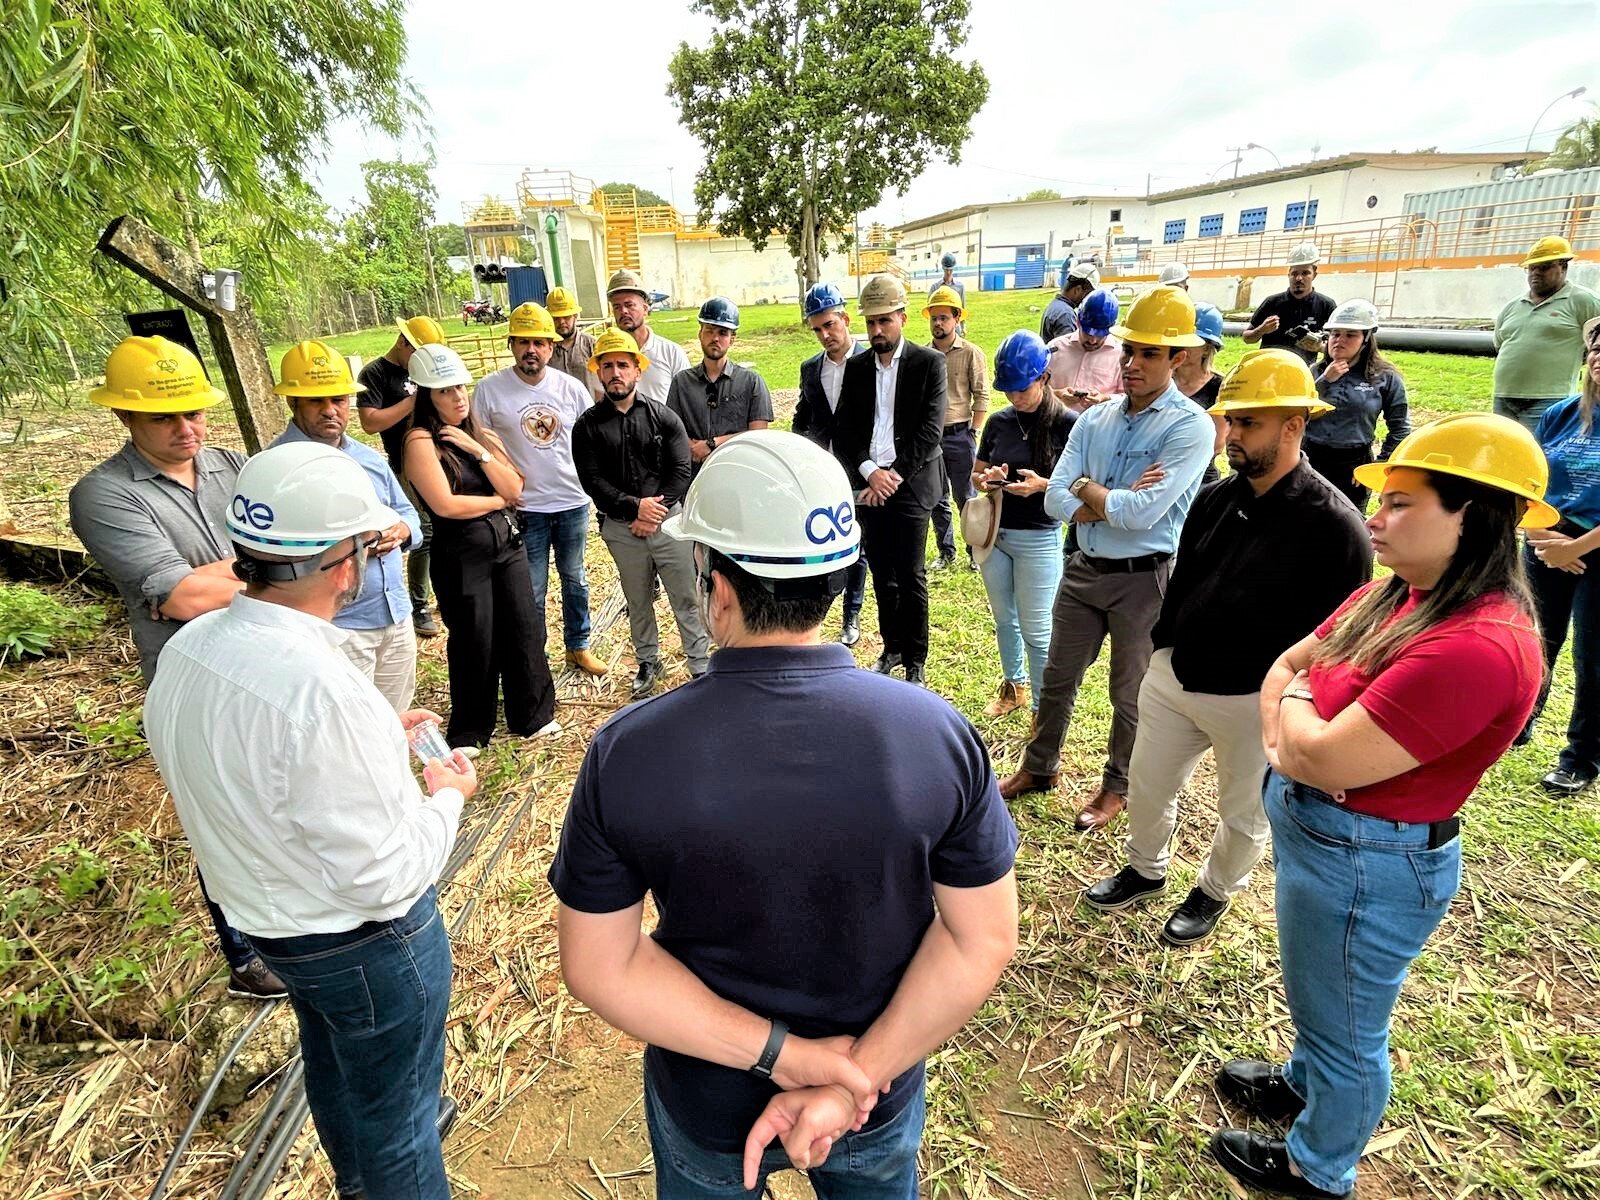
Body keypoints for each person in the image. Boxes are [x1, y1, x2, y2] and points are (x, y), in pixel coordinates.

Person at [548, 430, 1018, 1198]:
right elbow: (983, 937)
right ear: (840, 571)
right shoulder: (935, 733)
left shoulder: (628, 752)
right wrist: (850, 1078)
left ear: (716, 583)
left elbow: (601, 964)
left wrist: (787, 1059)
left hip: (710, 1101)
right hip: (875, 1095)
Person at [1214, 413, 1549, 1198]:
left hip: (1368, 862)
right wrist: (1297, 717)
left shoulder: (1479, 644)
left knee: (1348, 1031)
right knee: (1323, 997)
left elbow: (1315, 750)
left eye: (1402, 502)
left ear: (1475, 512)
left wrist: (1295, 723)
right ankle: (1304, 1082)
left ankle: (1317, 1166)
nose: (1376, 517)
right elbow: (1288, 669)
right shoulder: (1399, 594)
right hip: (1333, 837)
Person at [145, 441, 479, 1200]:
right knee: (402, 1121)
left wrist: (371, 736)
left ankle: (357, 1182)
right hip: (366, 944)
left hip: (270, 926)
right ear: (346, 564)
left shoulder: (192, 648)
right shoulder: (325, 689)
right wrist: (448, 793)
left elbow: (245, 762)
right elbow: (386, 874)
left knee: (331, 1059)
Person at [1083, 350, 1370, 946]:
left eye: (1248, 423)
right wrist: (1162, 655)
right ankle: (1144, 868)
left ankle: (1214, 893)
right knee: (1147, 781)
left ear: (1294, 424)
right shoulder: (1215, 498)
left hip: (1253, 697)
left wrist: (1289, 703)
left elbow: (1340, 636)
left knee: (1244, 813)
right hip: (1176, 675)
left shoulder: (1335, 526)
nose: (1231, 434)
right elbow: (1184, 581)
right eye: (1230, 421)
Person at [68, 336, 285, 1001]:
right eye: (166, 417)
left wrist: (231, 572)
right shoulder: (105, 495)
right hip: (191, 678)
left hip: (265, 655)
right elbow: (185, 596)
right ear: (126, 418)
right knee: (219, 812)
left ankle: (295, 927)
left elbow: (270, 552)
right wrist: (266, 564)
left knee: (277, 795)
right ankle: (246, 953)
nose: (187, 428)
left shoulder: (230, 465)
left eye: (194, 411)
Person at [999, 286, 1214, 831]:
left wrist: (1087, 489)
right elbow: (1053, 498)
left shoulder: (1190, 427)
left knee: (1130, 693)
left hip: (1145, 578)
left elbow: (1141, 514)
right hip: (1085, 568)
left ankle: (1117, 785)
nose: (1134, 363)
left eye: (1150, 353)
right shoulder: (1096, 419)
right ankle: (1040, 766)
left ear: (1179, 358)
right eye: (1131, 350)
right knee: (1057, 675)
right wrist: (1105, 498)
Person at [403, 344, 557, 750]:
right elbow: (446, 505)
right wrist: (495, 502)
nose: (457, 398)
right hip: (462, 555)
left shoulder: (479, 434)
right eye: (444, 392)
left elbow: (516, 487)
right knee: (475, 636)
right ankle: (471, 726)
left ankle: (532, 714)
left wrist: (478, 450)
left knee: (524, 627)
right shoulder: (421, 442)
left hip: (507, 545)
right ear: (426, 396)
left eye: (460, 389)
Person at [270, 340, 423, 710]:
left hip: (394, 614)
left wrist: (401, 532)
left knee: (394, 720)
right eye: (316, 401)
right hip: (337, 625)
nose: (330, 411)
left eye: (338, 400)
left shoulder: (368, 459)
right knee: (347, 725)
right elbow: (274, 553)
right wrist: (353, 545)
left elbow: (411, 518)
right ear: (293, 402)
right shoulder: (277, 469)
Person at [572, 327, 711, 697]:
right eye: (608, 366)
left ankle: (699, 662)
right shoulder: (587, 426)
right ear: (598, 371)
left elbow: (680, 470)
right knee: (637, 599)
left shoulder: (664, 418)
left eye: (623, 365)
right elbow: (592, 480)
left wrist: (654, 511)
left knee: (686, 595)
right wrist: (634, 509)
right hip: (622, 527)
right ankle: (648, 660)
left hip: (668, 525)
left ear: (637, 369)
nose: (616, 372)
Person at [470, 303, 605, 677]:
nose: (532, 349)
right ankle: (535, 655)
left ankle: (578, 646)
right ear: (511, 343)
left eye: (540, 343)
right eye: (524, 341)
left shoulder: (571, 388)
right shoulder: (489, 390)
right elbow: (478, 444)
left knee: (575, 578)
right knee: (531, 589)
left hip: (571, 501)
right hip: (522, 507)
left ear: (551, 346)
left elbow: (589, 441)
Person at [833, 274, 948, 686]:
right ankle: (892, 646)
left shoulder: (929, 363)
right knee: (881, 571)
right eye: (870, 323)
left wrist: (892, 477)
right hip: (870, 484)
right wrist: (870, 473)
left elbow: (929, 432)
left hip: (912, 485)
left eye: (884, 320)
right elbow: (844, 430)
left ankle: (916, 657)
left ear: (902, 317)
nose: (877, 330)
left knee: (911, 572)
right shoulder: (858, 367)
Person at [972, 332, 1076, 718]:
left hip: (1039, 535)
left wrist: (1043, 486)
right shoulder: (999, 422)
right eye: (1009, 390)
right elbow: (977, 473)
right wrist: (987, 480)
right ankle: (1013, 686)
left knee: (1037, 631)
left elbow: (1079, 485)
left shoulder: (1067, 423)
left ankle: (1040, 709)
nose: (1015, 397)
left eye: (1022, 388)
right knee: (1004, 620)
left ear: (1044, 378)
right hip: (996, 534)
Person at [1522, 315, 1600, 794]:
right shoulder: (1562, 414)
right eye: (1596, 347)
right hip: (1547, 538)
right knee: (1535, 640)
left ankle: (1581, 756)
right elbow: (1527, 481)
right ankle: (1520, 720)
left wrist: (1576, 547)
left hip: (1591, 544)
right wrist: (1538, 536)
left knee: (1593, 659)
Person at [358, 315, 446, 638]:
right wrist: (412, 402)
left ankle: (445, 590)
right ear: (402, 342)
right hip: (403, 465)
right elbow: (370, 422)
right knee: (423, 531)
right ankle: (419, 603)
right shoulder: (376, 373)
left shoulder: (423, 370)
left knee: (444, 526)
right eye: (418, 353)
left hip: (437, 457)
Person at [794, 282, 870, 646]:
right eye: (817, 329)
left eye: (830, 325)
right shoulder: (811, 369)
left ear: (846, 318)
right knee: (824, 539)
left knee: (859, 545)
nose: (825, 335)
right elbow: (803, 415)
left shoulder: (872, 361)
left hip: (865, 470)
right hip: (824, 470)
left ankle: (851, 613)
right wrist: (801, 453)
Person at [1307, 299, 1410, 509]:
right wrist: (1324, 382)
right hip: (1311, 459)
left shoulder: (1385, 378)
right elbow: (1295, 413)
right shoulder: (1314, 373)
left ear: (1366, 339)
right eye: (1335, 334)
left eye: (1350, 335)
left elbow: (1400, 428)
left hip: (1352, 465)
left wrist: (1377, 466)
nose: (1339, 341)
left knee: (1348, 525)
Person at [1492, 235, 1600, 433]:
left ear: (1563, 267)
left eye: (1544, 267)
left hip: (1549, 398)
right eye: (1532, 268)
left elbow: (1595, 339)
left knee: (1538, 453)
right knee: (1502, 450)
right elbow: (1500, 344)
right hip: (1504, 396)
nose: (1536, 273)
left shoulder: (1583, 301)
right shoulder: (1512, 307)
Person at [666, 296, 774, 476]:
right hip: (694, 477)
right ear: (700, 333)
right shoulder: (681, 382)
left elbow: (758, 437)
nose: (715, 338)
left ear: (732, 339)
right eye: (709, 331)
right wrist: (692, 448)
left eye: (723, 333)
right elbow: (672, 430)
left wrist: (711, 444)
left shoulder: (751, 382)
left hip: (740, 473)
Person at [924, 285, 989, 571]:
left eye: (944, 318)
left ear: (956, 319)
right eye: (934, 318)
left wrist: (972, 431)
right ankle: (945, 552)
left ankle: (973, 552)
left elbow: (982, 395)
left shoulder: (971, 353)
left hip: (960, 435)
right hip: (931, 439)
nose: (938, 323)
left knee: (965, 498)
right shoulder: (923, 355)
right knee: (937, 499)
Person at [604, 268, 689, 403]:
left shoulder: (671, 353)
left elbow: (687, 399)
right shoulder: (607, 357)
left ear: (645, 308)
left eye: (629, 305)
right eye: (617, 306)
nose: (623, 311)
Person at [1242, 243, 1336, 365]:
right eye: (1294, 273)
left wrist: (1319, 348)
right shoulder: (1272, 303)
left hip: (1301, 374)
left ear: (1314, 275)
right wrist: (1261, 330)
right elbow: (1247, 338)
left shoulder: (1326, 306)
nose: (1299, 278)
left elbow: (1338, 349)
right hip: (1268, 370)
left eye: (1305, 273)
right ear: (1289, 275)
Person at [1173, 302, 1228, 485]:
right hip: (1155, 470)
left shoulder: (1219, 387)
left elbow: (1217, 443)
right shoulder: (1162, 380)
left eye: (1194, 341)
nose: (1185, 346)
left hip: (1199, 476)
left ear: (1207, 348)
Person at [1046, 288, 1123, 409]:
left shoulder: (1121, 354)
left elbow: (1129, 398)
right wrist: (1057, 394)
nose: (1093, 341)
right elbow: (1035, 390)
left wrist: (1105, 399)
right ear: (1078, 322)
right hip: (1056, 424)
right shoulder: (1054, 349)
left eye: (1100, 335)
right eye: (1088, 333)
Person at [546, 286, 599, 395]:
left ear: (575, 316)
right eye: (556, 318)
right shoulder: (544, 349)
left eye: (566, 317)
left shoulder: (592, 345)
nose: (561, 322)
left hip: (588, 409)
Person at [1040, 261, 1100, 344]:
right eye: (1087, 295)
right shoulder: (1066, 315)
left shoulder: (1055, 305)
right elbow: (1067, 351)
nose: (1087, 300)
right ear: (1077, 290)